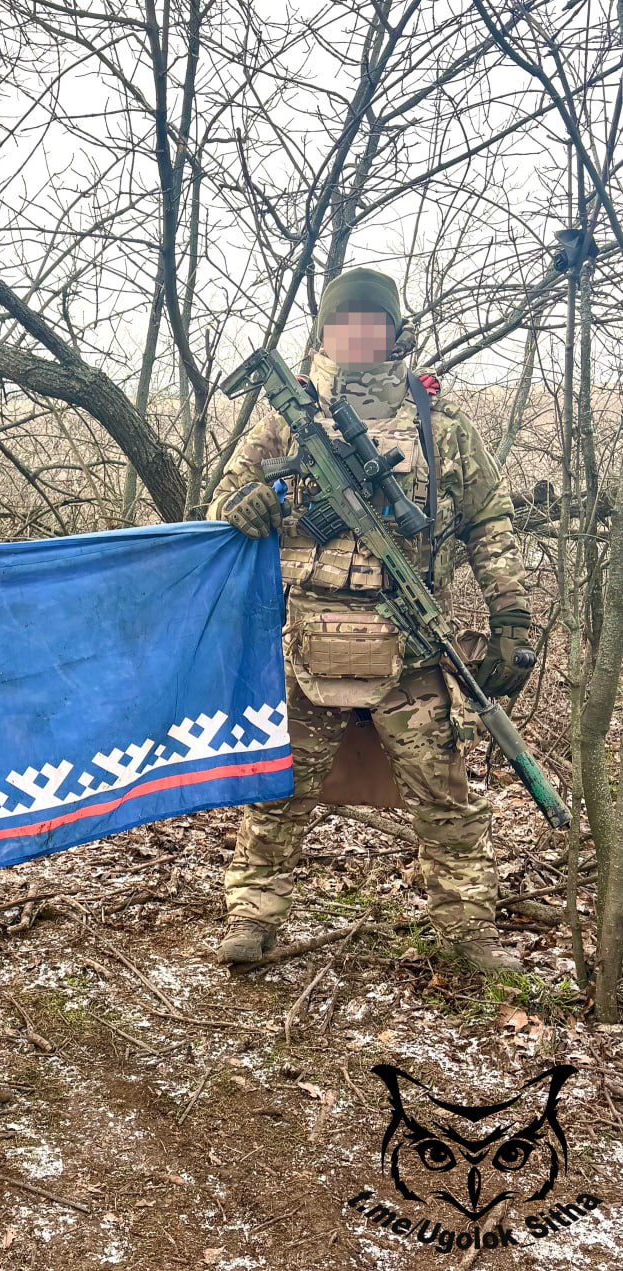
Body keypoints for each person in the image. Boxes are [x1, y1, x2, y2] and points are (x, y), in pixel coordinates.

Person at [208, 267, 533, 974]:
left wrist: (510, 612)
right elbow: (221, 506)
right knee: (278, 793)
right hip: (305, 644)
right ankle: (252, 917)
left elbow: (489, 521)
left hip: (410, 644)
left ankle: (468, 934)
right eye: (342, 323)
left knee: (445, 798)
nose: (357, 335)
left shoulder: (438, 426)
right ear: (323, 333)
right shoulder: (279, 422)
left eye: (371, 321)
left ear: (394, 330)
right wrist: (243, 506)